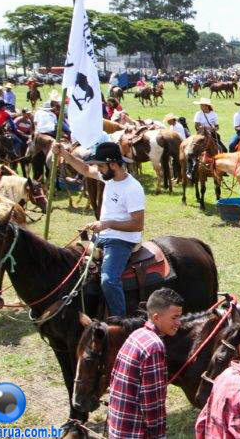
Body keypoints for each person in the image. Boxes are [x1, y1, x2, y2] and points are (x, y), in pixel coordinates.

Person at [52, 142, 145, 318]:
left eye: (101, 165)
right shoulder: (108, 177)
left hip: (122, 240)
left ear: (113, 164)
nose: (98, 169)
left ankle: (119, 321)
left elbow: (137, 225)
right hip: (103, 234)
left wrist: (107, 224)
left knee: (109, 280)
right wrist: (64, 153)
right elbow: (85, 169)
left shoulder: (133, 188)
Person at [107, 288, 183, 439]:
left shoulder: (136, 335)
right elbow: (152, 402)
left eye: (179, 317)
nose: (178, 323)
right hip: (135, 432)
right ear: (157, 317)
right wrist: (158, 435)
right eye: (174, 318)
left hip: (117, 427)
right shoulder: (154, 346)